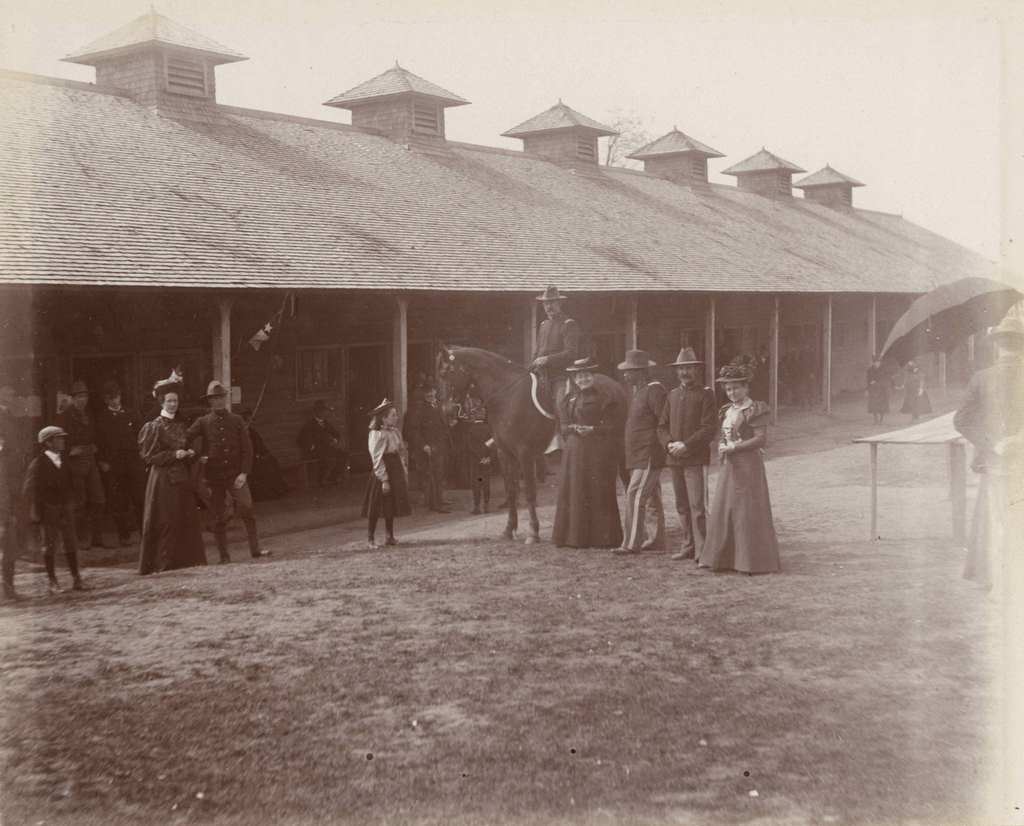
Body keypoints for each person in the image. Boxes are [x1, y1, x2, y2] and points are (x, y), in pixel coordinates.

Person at [954, 315, 1024, 590]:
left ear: (997, 347)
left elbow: (961, 420)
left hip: (994, 460)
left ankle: (991, 577)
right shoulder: (983, 378)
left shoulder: (982, 378)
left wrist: (991, 443)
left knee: (991, 519)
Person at [700, 364, 780, 574]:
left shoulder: (755, 409)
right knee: (726, 507)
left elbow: (761, 440)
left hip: (748, 465)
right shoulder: (727, 410)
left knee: (746, 509)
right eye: (728, 389)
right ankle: (722, 558)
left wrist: (735, 446)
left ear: (746, 388)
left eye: (736, 388)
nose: (732, 393)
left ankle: (749, 561)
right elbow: (725, 435)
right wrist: (723, 446)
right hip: (730, 465)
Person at [188, 381, 269, 563]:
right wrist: (197, 456)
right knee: (217, 516)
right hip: (214, 477)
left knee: (247, 507)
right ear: (209, 401)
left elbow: (247, 449)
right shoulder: (203, 422)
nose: (218, 401)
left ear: (225, 399)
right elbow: (186, 438)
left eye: (220, 397)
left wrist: (244, 473)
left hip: (235, 475)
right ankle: (224, 557)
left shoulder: (237, 420)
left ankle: (255, 550)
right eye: (214, 398)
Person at [137, 379, 207, 574]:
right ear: (161, 402)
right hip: (163, 480)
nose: (173, 404)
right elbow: (149, 456)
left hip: (181, 478)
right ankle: (163, 563)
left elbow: (183, 446)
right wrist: (173, 455)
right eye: (169, 401)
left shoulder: (180, 424)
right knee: (166, 520)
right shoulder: (154, 426)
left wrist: (190, 453)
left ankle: (185, 561)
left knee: (183, 518)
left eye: (175, 401)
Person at [552, 357, 623, 549]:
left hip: (597, 450)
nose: (583, 379)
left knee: (597, 490)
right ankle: (574, 538)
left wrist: (593, 430)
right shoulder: (569, 399)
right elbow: (563, 425)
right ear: (574, 379)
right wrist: (572, 428)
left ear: (593, 376)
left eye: (586, 375)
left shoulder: (605, 398)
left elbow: (612, 426)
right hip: (574, 451)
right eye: (579, 376)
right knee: (575, 490)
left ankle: (602, 538)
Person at [657, 347, 718, 562]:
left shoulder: (706, 394)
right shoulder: (672, 395)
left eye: (689, 368)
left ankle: (703, 550)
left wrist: (687, 445)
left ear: (696, 370)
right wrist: (669, 444)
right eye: (681, 369)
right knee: (681, 504)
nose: (685, 373)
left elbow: (708, 428)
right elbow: (661, 426)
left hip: (695, 458)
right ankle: (688, 546)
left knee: (697, 506)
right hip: (674, 458)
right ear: (676, 372)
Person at [22, 425, 89, 593]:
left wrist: (73, 502)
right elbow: (29, 490)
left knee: (70, 543)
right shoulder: (38, 463)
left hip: (65, 508)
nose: (62, 441)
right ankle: (53, 582)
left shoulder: (64, 460)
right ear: (48, 443)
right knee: (49, 545)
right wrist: (38, 511)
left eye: (62, 438)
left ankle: (76, 579)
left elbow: (73, 482)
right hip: (48, 510)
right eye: (58, 439)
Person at [614, 349, 667, 555]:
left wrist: (657, 448)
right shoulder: (640, 391)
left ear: (642, 371)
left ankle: (631, 542)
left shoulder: (654, 390)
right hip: (639, 454)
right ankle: (656, 539)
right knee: (652, 496)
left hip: (648, 453)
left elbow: (663, 421)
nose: (626, 375)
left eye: (630, 371)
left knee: (634, 494)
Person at [57, 380, 108, 549]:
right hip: (74, 464)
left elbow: (95, 435)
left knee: (98, 499)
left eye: (85, 396)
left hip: (90, 460)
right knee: (79, 502)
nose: (83, 400)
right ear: (72, 398)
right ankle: (80, 540)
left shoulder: (89, 414)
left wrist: (95, 446)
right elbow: (59, 441)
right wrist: (70, 450)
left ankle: (97, 539)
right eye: (79, 396)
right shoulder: (65, 416)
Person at [95, 380, 146, 547]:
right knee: (119, 501)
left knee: (139, 498)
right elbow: (99, 442)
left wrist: (142, 455)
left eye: (116, 396)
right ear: (106, 400)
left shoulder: (132, 414)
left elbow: (143, 436)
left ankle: (144, 532)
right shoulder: (101, 418)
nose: (115, 401)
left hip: (134, 463)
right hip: (114, 466)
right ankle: (124, 535)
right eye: (111, 398)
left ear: (120, 396)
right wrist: (102, 461)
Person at [528, 285, 581, 429]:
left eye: (552, 302)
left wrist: (547, 360)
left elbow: (571, 353)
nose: (548, 306)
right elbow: (537, 351)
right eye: (546, 303)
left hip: (560, 376)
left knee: (560, 404)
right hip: (541, 375)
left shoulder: (568, 324)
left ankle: (566, 434)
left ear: (559, 304)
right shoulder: (543, 325)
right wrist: (530, 368)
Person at [361, 398, 411, 548]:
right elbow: (376, 457)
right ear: (383, 418)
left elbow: (400, 451)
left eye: (396, 414)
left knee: (391, 503)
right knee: (376, 504)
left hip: (394, 467)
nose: (396, 417)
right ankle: (371, 539)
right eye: (393, 415)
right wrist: (384, 479)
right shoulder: (377, 434)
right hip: (382, 469)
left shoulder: (395, 432)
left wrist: (403, 469)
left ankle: (389, 536)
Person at [404, 385, 454, 512]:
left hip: (440, 445)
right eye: (429, 396)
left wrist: (448, 425)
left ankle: (438, 500)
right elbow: (415, 431)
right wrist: (423, 445)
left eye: (434, 395)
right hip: (429, 446)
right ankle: (435, 504)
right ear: (424, 397)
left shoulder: (437, 407)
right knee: (433, 475)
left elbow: (440, 425)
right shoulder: (419, 410)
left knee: (440, 473)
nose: (432, 398)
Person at [241, 409, 288, 501]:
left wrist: (264, 454)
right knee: (264, 468)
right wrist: (256, 456)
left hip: (258, 456)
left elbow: (260, 445)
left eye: (251, 420)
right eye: (247, 420)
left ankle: (278, 490)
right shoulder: (241, 433)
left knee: (272, 462)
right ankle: (264, 494)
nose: (249, 423)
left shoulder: (252, 431)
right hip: (249, 460)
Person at [297, 400, 346, 486]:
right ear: (317, 412)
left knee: (343, 455)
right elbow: (300, 439)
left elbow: (336, 433)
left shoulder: (325, 423)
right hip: (315, 451)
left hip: (327, 449)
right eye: (322, 411)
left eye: (325, 411)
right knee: (327, 458)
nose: (325, 413)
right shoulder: (310, 424)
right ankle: (322, 480)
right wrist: (311, 446)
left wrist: (335, 440)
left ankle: (332, 477)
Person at [462, 389, 494, 514]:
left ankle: (477, 506)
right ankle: (486, 505)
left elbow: (471, 446)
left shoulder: (471, 430)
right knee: (486, 482)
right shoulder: (488, 428)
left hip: (475, 461)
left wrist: (479, 456)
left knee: (477, 482)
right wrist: (488, 456)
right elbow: (492, 442)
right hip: (486, 460)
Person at [866, 355, 891, 425]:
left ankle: (881, 419)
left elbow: (886, 379)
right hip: (873, 390)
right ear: (873, 363)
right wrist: (867, 389)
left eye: (878, 362)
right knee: (874, 406)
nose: (877, 363)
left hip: (882, 390)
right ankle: (875, 419)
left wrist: (876, 382)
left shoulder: (884, 370)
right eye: (875, 362)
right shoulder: (870, 370)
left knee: (882, 406)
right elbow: (868, 380)